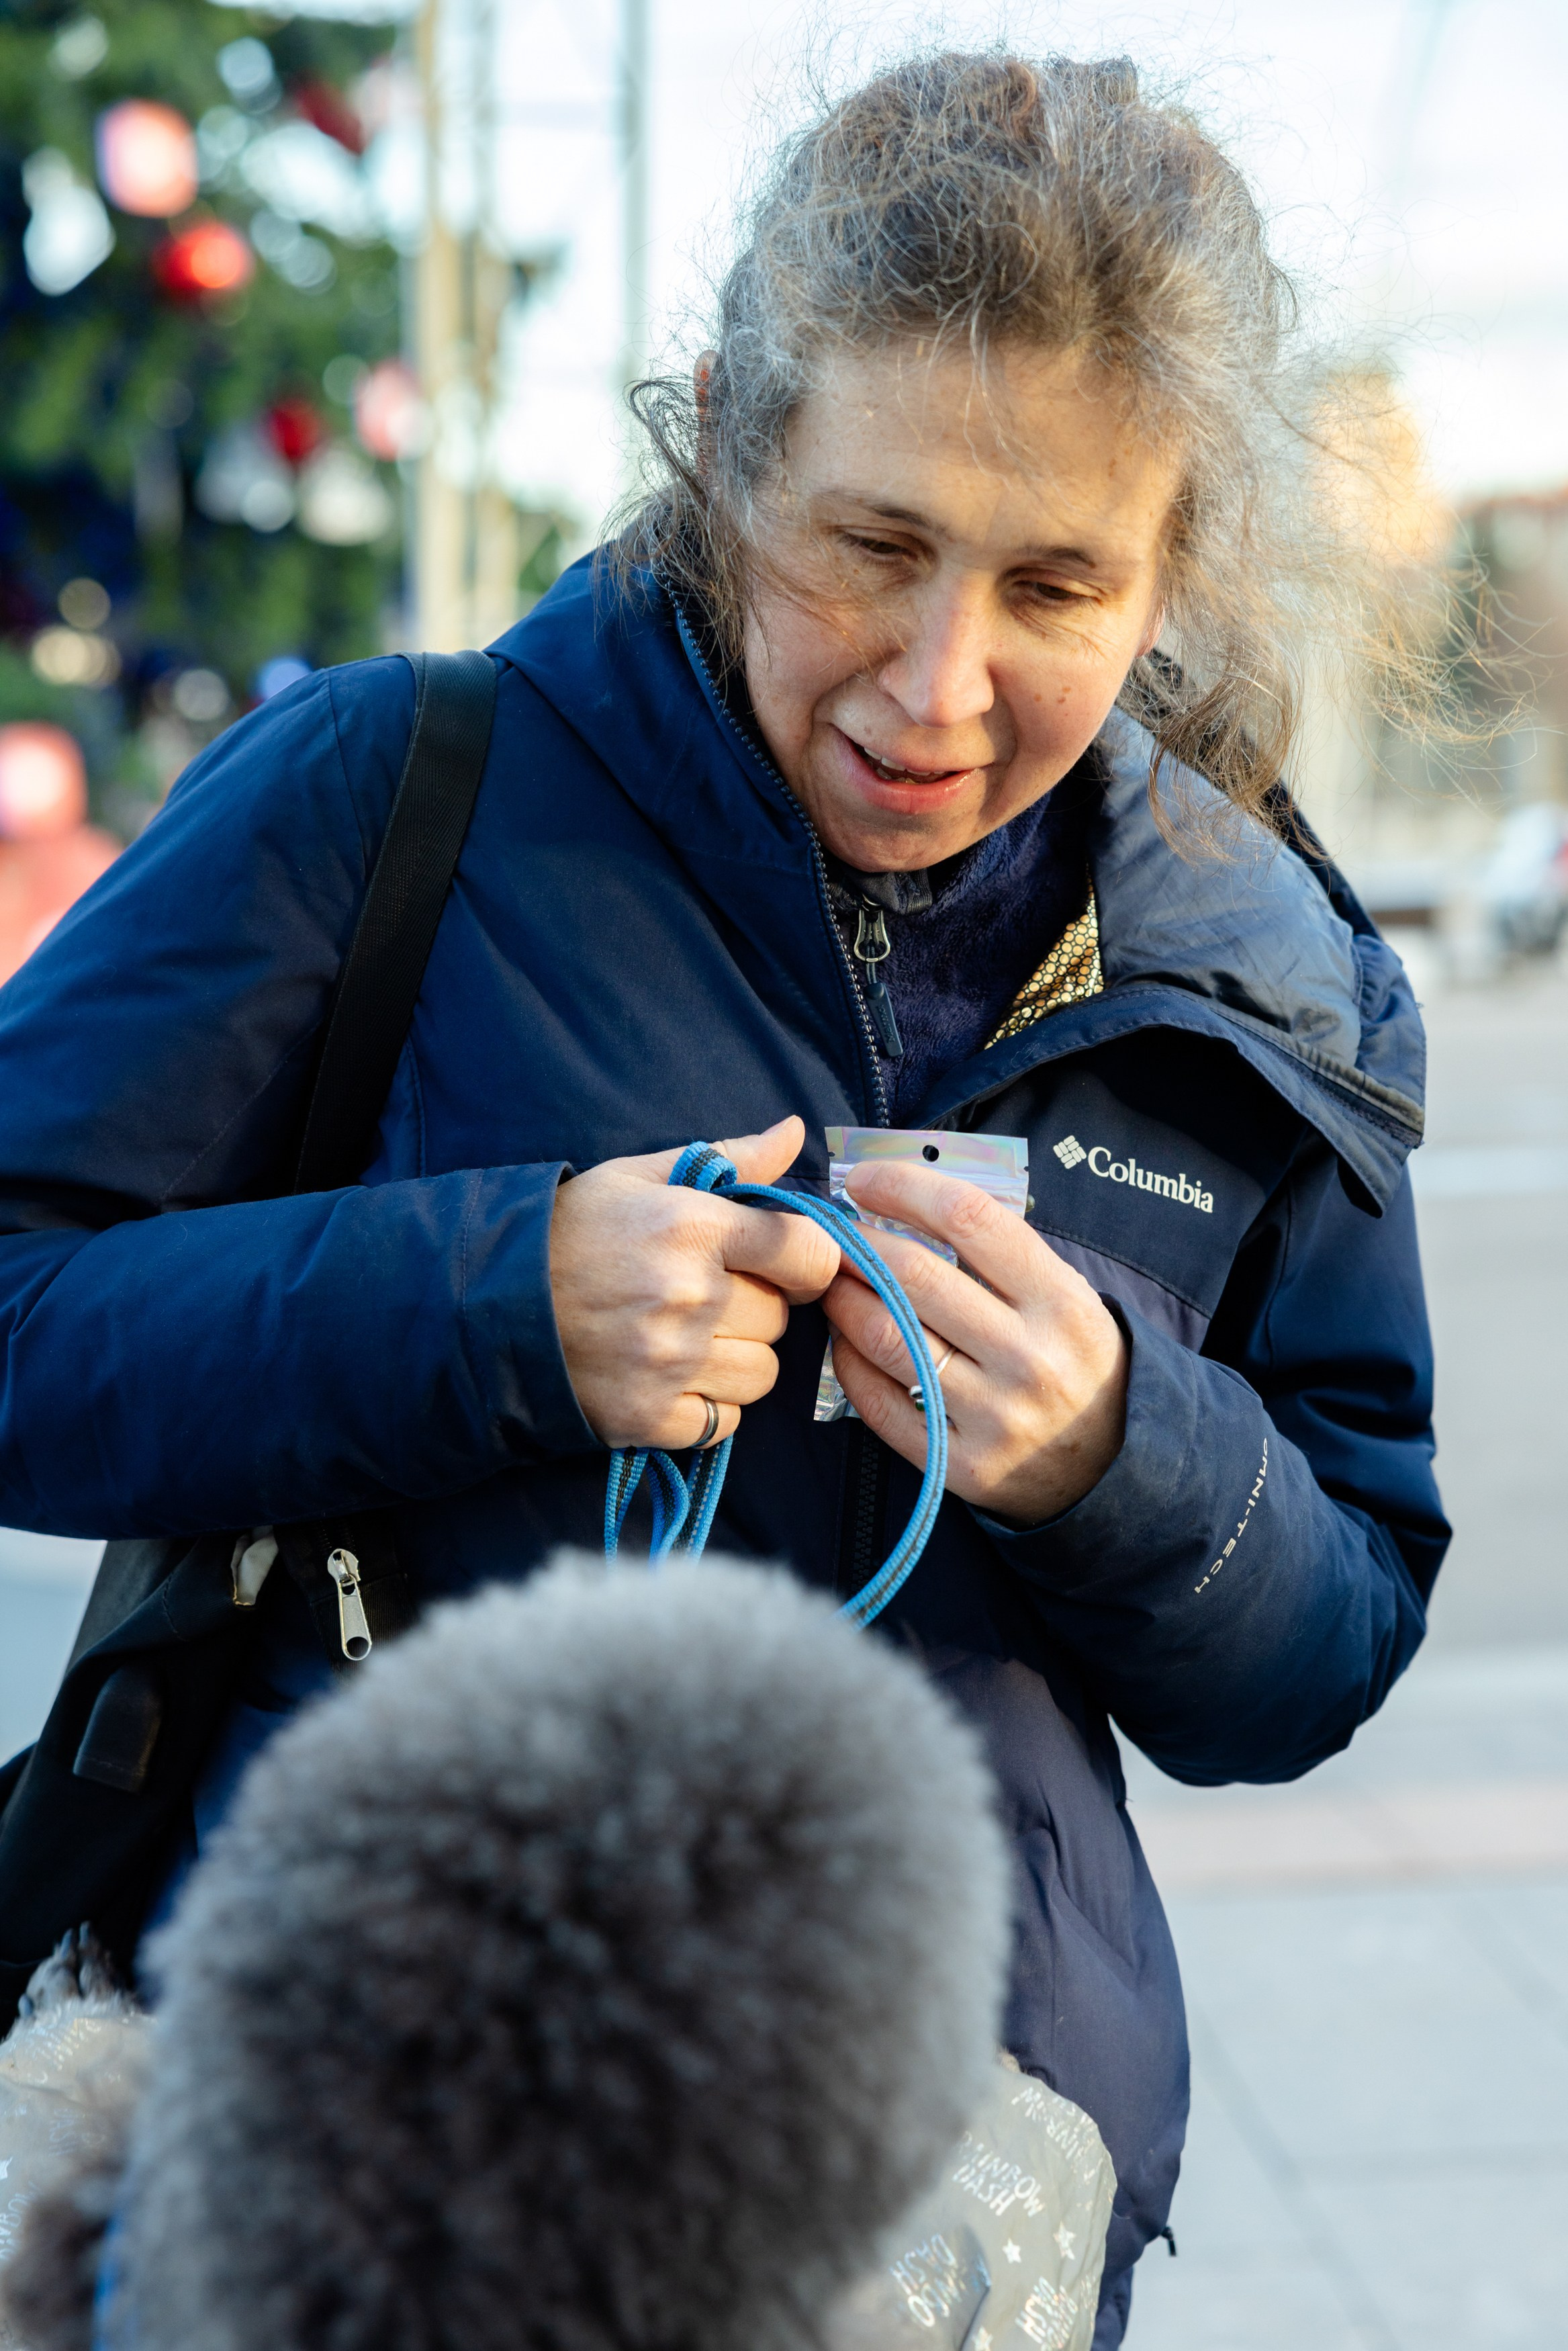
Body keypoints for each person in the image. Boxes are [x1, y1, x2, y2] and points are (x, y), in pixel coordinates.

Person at [0, 52, 1449, 2345]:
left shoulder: (1268, 978)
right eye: (870, 543)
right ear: (724, 447)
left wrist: (1119, 1456)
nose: (939, 683)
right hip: (368, 2161)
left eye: (1058, 580)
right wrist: (490, 1301)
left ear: (1173, 568)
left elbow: (1332, 1642)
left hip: (951, 2214)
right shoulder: (392, 795)